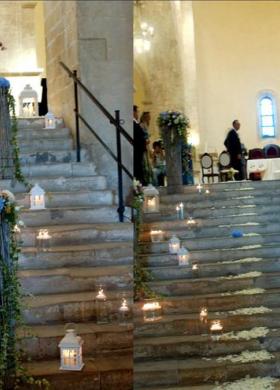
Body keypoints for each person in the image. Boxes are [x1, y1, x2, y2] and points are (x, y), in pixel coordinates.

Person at [133, 105, 146, 184]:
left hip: (139, 149)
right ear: (133, 112)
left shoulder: (136, 123)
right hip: (137, 149)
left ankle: (140, 182)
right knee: (138, 167)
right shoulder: (133, 124)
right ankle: (139, 183)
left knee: (139, 166)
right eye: (137, 112)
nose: (138, 114)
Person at [139, 112, 153, 185]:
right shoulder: (142, 125)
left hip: (147, 144)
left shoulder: (146, 125)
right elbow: (143, 136)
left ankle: (149, 179)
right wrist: (146, 140)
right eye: (148, 116)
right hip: (145, 144)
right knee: (145, 161)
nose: (150, 118)